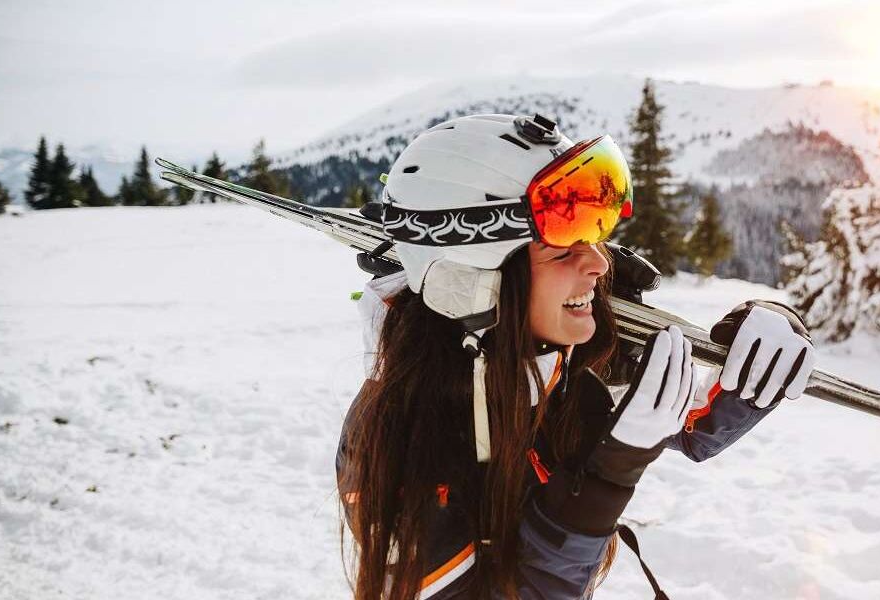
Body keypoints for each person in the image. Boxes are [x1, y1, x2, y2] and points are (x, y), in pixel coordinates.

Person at [336, 114, 816, 600]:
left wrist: (762, 348)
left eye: (593, 237)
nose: (600, 263)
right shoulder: (393, 440)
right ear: (474, 280)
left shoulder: (554, 361)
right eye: (561, 250)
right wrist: (603, 483)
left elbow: (691, 418)